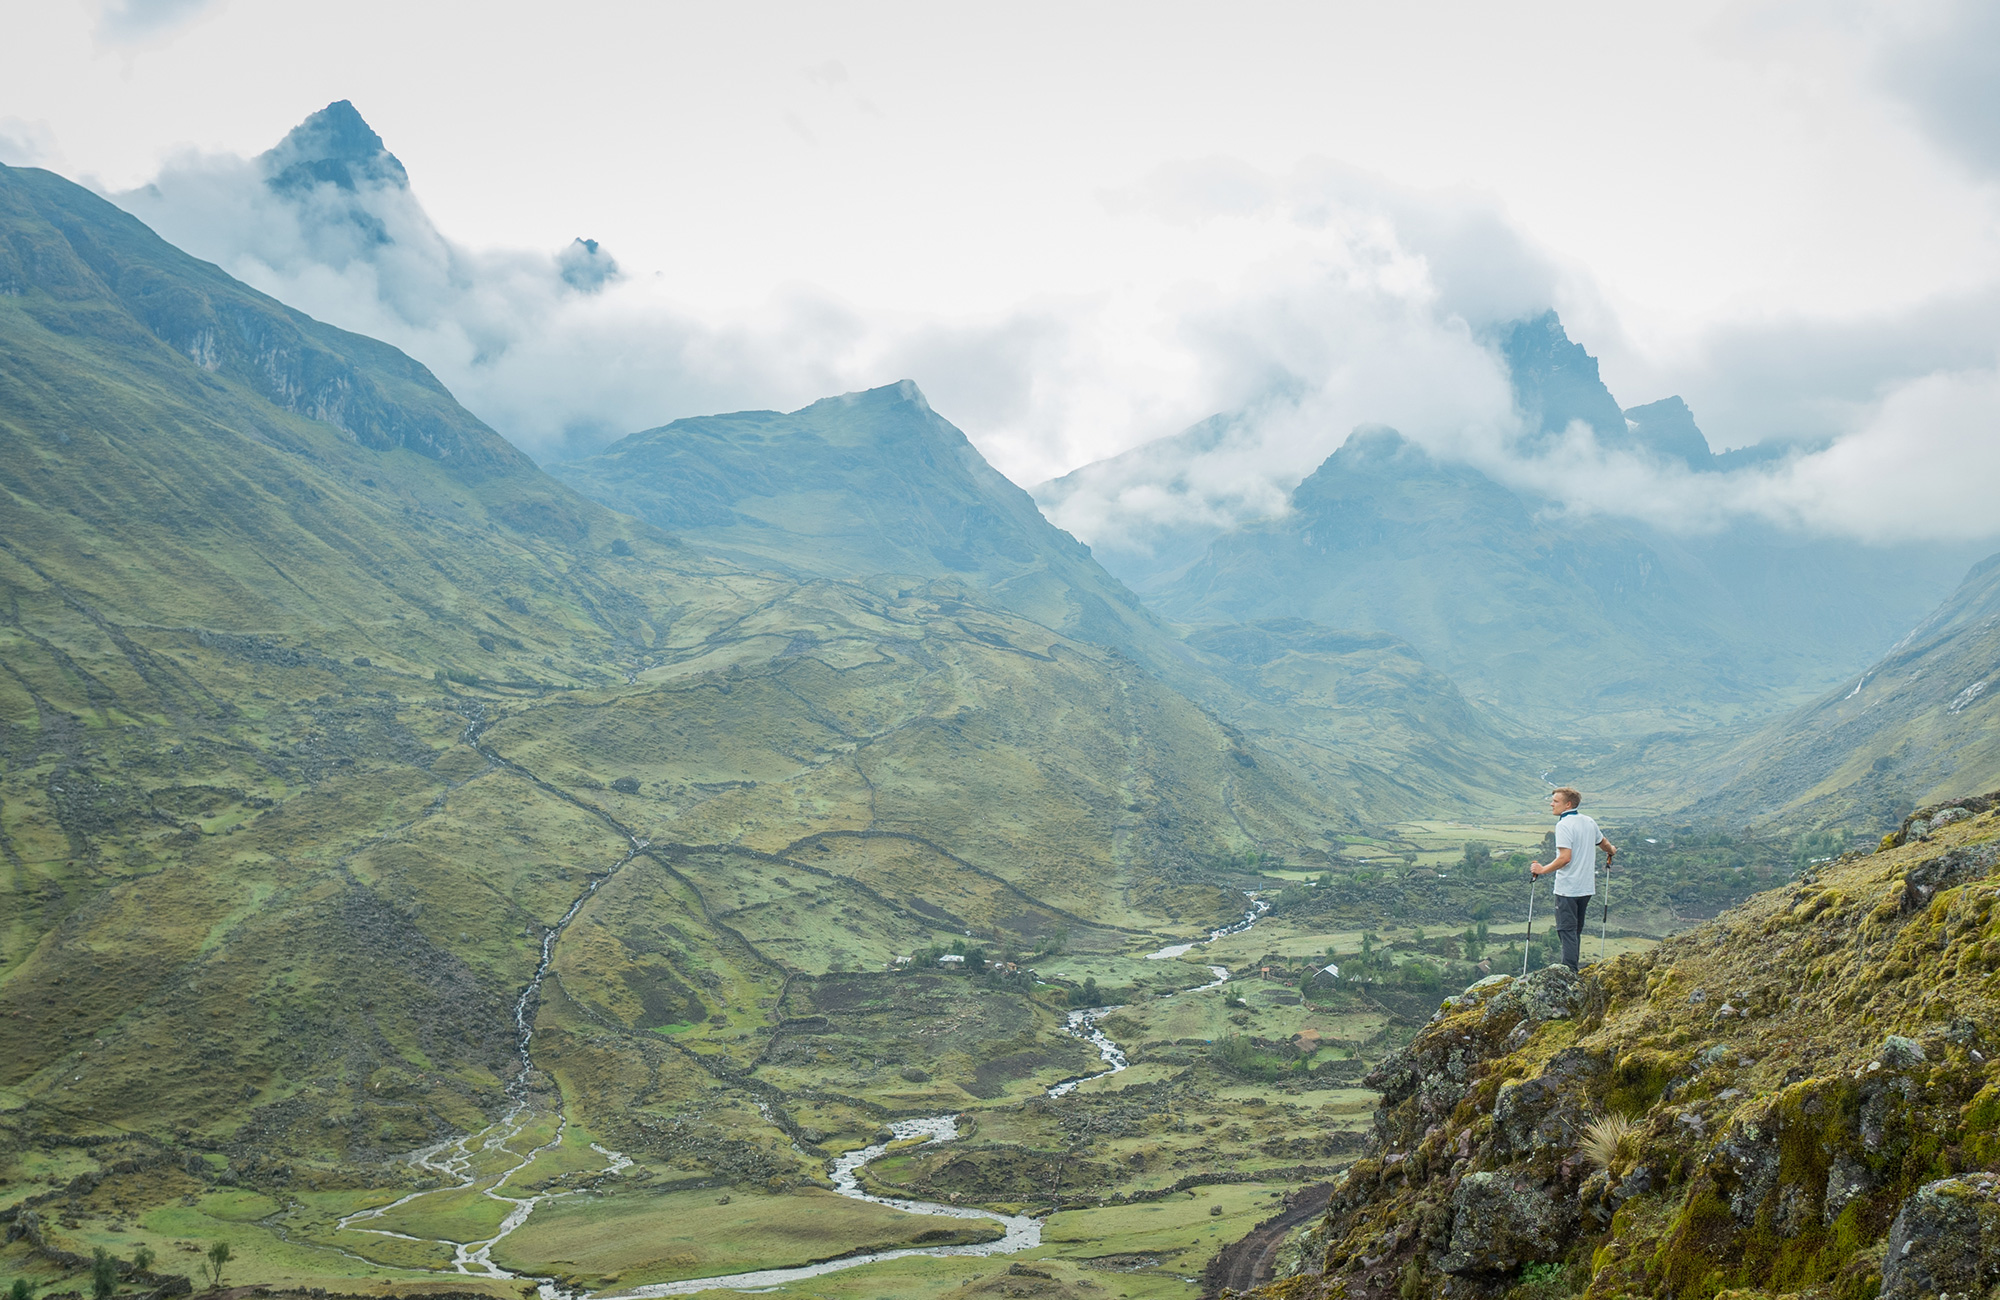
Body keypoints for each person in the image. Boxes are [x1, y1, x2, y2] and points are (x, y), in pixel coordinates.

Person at [1529, 787, 1616, 972]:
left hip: (1567, 889)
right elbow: (1605, 844)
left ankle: (1569, 973)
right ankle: (1572, 970)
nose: (1551, 804)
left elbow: (1564, 858)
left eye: (1555, 801)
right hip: (1586, 889)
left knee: (1566, 931)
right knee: (1575, 931)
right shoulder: (1588, 821)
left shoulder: (1564, 825)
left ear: (1568, 804)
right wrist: (1611, 852)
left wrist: (1542, 869)